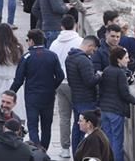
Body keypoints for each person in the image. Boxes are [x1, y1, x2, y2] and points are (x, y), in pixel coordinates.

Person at [10, 29, 65, 152]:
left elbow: (19, 80)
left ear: (31, 41)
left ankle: (36, 149)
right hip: (48, 96)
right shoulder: (52, 55)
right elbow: (60, 76)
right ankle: (44, 149)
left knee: (33, 125)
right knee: (46, 125)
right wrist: (52, 87)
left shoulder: (26, 57)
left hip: (32, 96)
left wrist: (10, 93)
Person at [49, 15, 84, 157]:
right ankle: (79, 147)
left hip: (60, 83)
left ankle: (64, 149)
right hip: (76, 84)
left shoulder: (54, 44)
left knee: (64, 117)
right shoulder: (80, 42)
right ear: (76, 25)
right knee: (78, 116)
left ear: (61, 27)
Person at [98, 47, 135, 161]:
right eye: (126, 58)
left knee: (108, 140)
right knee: (117, 142)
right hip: (115, 111)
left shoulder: (106, 70)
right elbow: (124, 93)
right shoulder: (120, 73)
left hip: (104, 110)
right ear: (118, 60)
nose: (128, 60)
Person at [66, 34, 101, 153]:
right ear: (90, 45)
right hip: (86, 99)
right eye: (94, 49)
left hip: (76, 98)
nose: (93, 52)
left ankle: (76, 154)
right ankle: (82, 154)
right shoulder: (83, 60)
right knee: (85, 130)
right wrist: (99, 75)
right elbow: (90, 81)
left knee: (77, 127)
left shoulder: (70, 57)